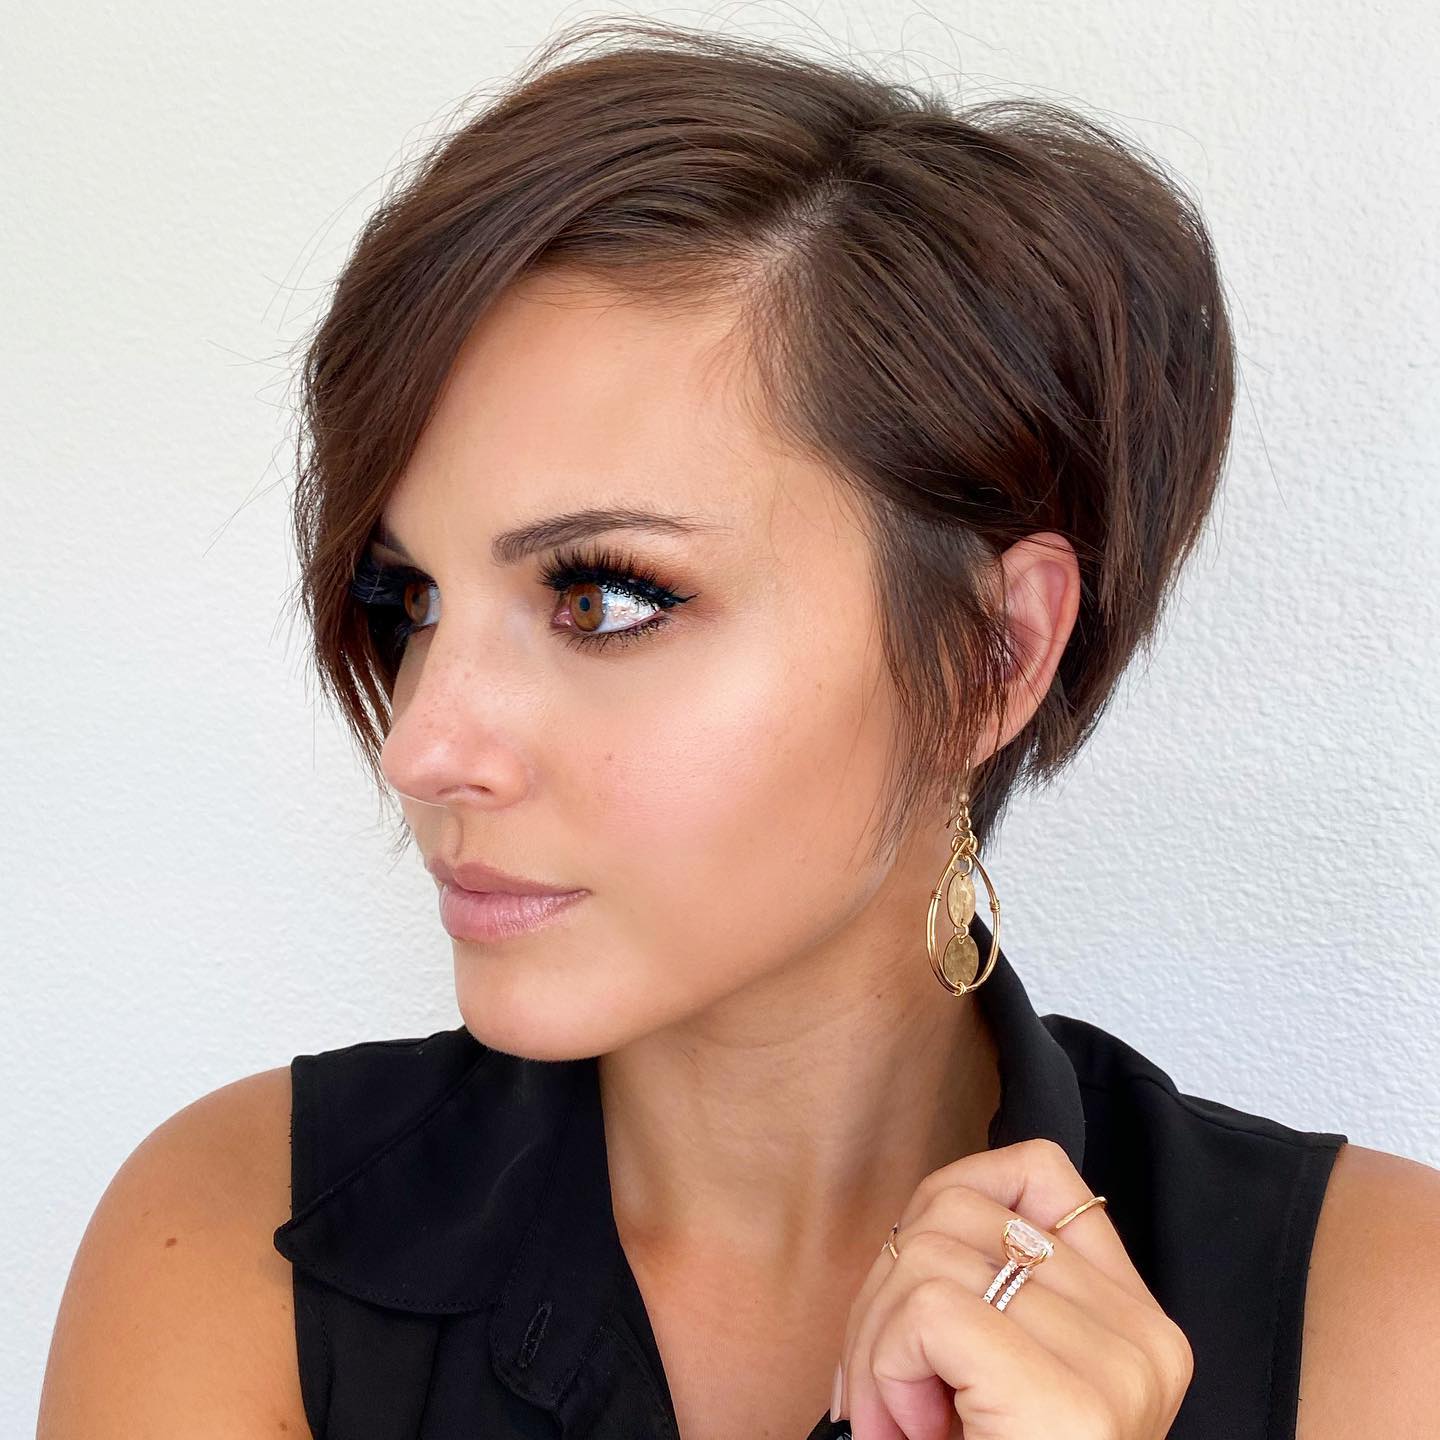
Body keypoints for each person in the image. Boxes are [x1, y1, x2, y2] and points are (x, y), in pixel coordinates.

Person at [38, 18, 1439, 1440]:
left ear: (992, 655)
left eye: (602, 598)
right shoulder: (231, 1248)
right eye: (410, 600)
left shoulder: (1385, 1323)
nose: (422, 749)